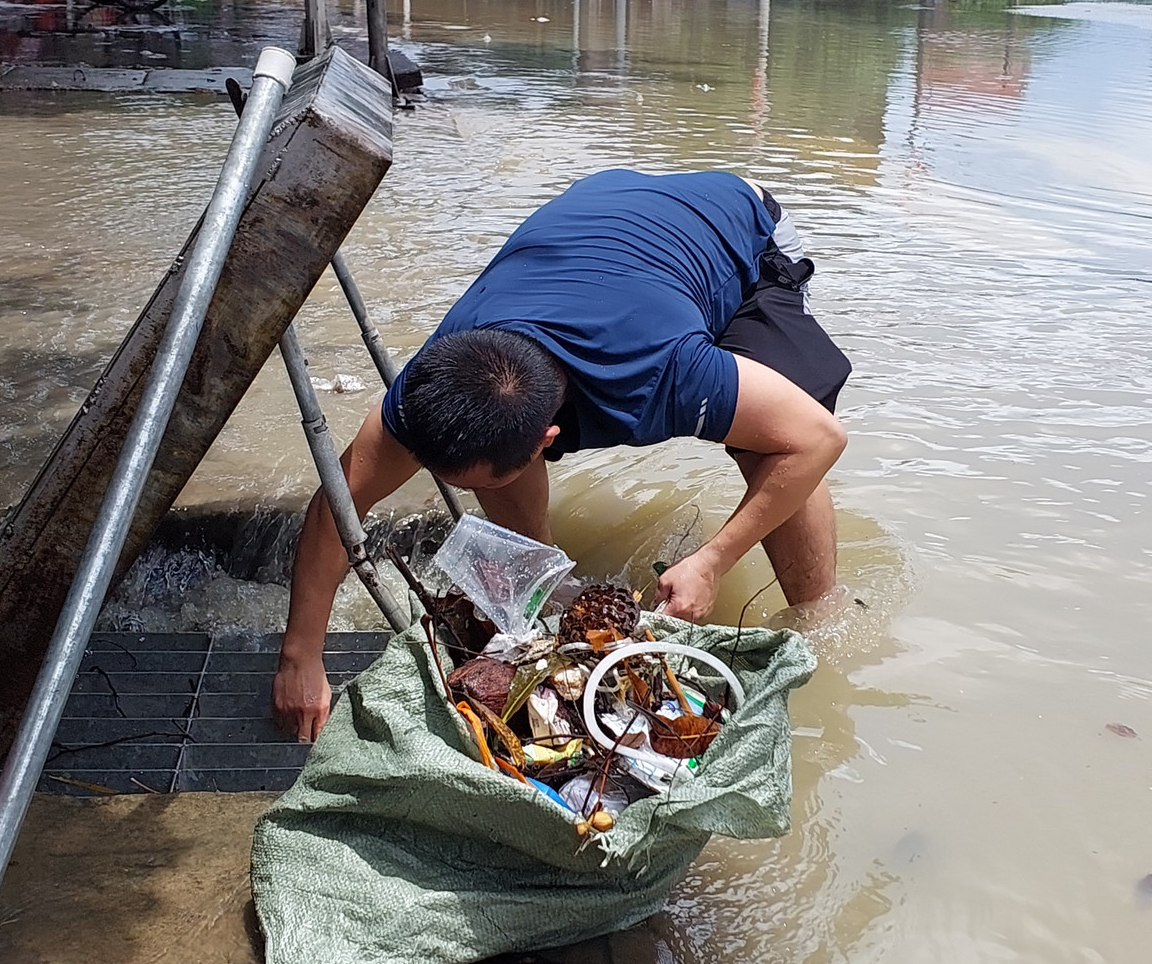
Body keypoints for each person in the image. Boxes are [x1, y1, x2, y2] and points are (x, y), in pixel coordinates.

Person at [273, 169, 852, 742]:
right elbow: (338, 505)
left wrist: (712, 562)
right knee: (501, 481)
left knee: (766, 445)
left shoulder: (664, 371)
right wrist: (301, 655)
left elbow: (817, 440)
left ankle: (818, 614)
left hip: (740, 234)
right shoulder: (434, 382)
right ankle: (546, 578)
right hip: (605, 222)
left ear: (549, 441)